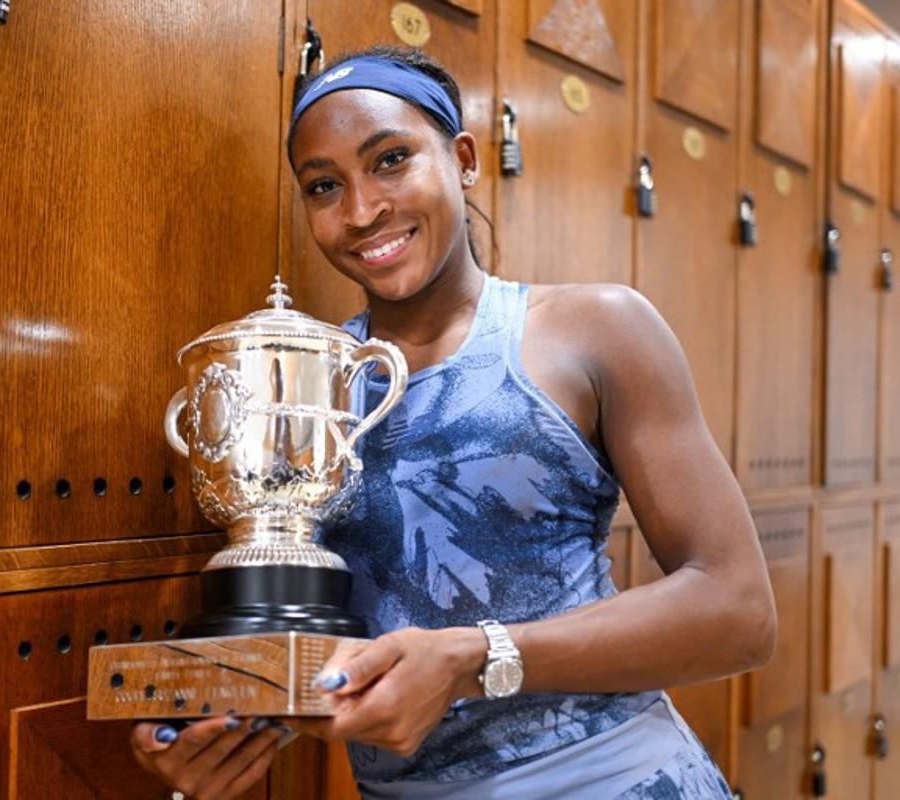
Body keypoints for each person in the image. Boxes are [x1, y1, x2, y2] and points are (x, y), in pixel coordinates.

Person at [131, 45, 776, 799]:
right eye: (323, 186)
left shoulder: (594, 329)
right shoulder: (309, 392)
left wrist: (474, 657)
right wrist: (209, 733)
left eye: (392, 160)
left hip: (616, 779)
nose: (362, 210)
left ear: (464, 158)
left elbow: (737, 609)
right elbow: (321, 636)